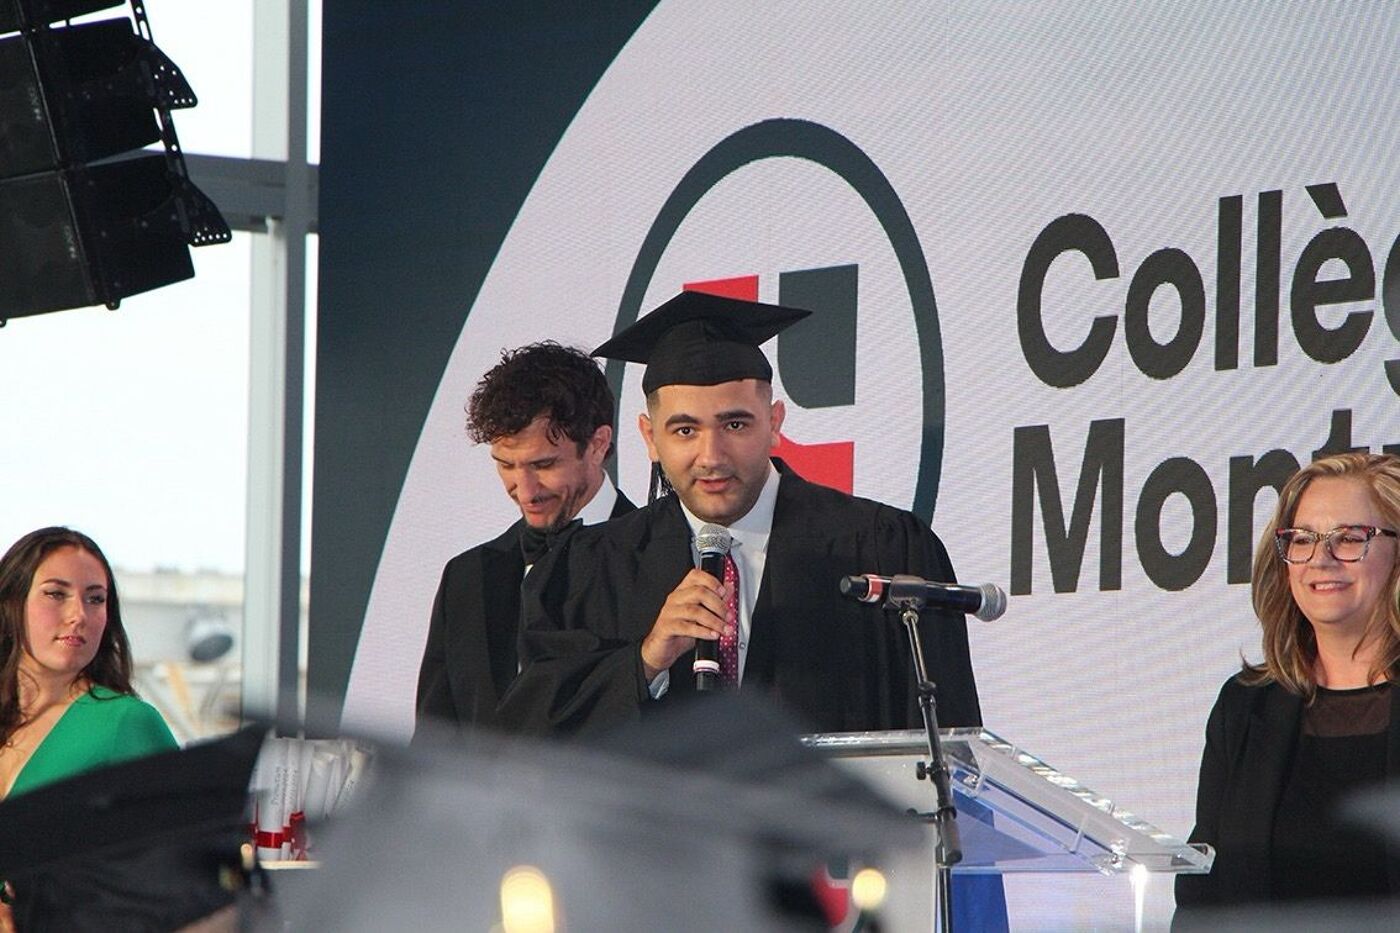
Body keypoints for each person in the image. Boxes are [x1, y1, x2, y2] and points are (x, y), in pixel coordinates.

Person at [504, 291, 984, 737]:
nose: (711, 455)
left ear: (775, 424)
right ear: (650, 438)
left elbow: (950, 753)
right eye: (685, 430)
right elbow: (535, 745)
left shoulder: (883, 548)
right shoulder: (587, 568)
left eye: (735, 424)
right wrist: (646, 661)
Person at [1176, 452, 1400, 913]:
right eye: (1301, 539)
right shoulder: (1245, 707)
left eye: (1350, 538)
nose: (1321, 558)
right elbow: (1204, 892)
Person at [414, 342, 636, 737]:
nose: (525, 490)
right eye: (506, 466)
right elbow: (434, 751)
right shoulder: (466, 578)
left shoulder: (663, 555)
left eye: (544, 465)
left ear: (598, 444)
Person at [0, 526, 177, 799]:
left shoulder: (127, 722)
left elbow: (185, 835)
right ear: (11, 602)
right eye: (56, 594)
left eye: (95, 599)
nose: (78, 615)